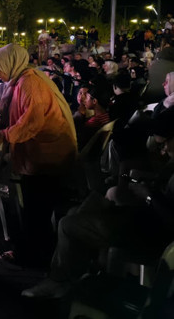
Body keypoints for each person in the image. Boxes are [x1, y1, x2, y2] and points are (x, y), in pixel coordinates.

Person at [21, 108, 174, 299]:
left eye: (165, 144)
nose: (163, 150)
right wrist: (139, 182)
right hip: (146, 220)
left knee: (68, 225)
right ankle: (73, 274)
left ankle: (60, 280)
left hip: (152, 235)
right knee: (82, 208)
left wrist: (148, 195)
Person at [0, 43, 77, 267]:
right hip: (38, 153)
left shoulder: (30, 83)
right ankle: (34, 251)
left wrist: (4, 135)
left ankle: (33, 256)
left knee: (38, 208)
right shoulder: (19, 81)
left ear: (10, 64)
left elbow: (32, 121)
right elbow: (14, 116)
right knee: (35, 206)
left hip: (48, 154)